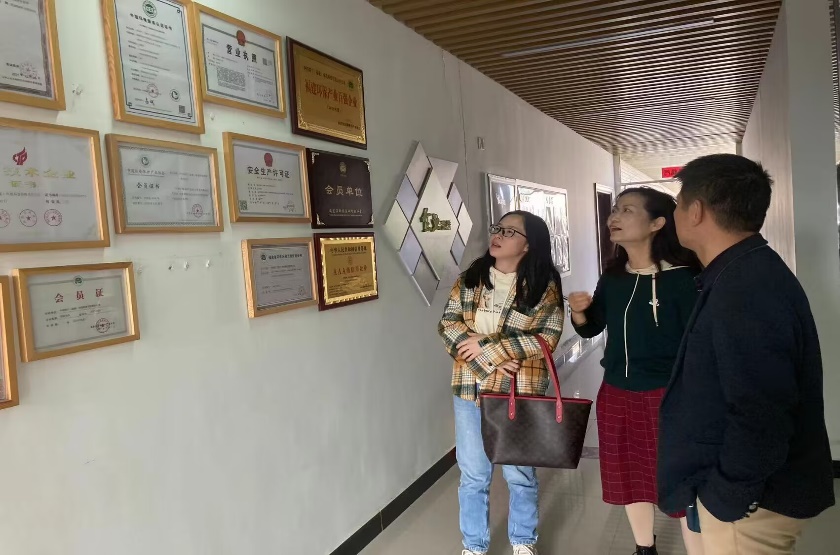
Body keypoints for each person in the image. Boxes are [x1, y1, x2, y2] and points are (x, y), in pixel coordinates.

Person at [658, 154, 836, 554]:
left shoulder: (745, 287)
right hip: (745, 494)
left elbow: (761, 412)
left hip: (751, 505)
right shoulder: (741, 270)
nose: (675, 215)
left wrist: (726, 497)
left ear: (696, 211)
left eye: (678, 204)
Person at [567, 187, 704, 555]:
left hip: (670, 396)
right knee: (629, 477)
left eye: (627, 210)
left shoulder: (686, 279)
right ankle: (645, 549)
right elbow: (593, 328)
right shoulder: (613, 278)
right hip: (616, 392)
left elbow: (703, 344)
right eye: (614, 209)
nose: (614, 217)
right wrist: (579, 313)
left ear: (657, 223)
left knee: (681, 484)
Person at [438, 211, 564, 555]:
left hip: (518, 393)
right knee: (473, 475)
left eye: (510, 232)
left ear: (528, 244)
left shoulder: (542, 287)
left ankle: (523, 540)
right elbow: (449, 327)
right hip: (470, 390)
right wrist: (493, 357)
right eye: (498, 228)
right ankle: (474, 545)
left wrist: (487, 346)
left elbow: (545, 338)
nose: (498, 235)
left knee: (519, 474)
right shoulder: (470, 280)